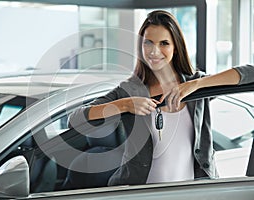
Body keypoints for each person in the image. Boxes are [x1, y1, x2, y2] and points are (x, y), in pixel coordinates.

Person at [68, 10, 254, 186]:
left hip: (194, 192)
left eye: (164, 43)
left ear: (176, 47)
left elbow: (250, 73)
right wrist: (124, 105)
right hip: (141, 193)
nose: (154, 51)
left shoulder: (196, 87)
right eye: (148, 42)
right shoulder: (129, 90)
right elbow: (75, 119)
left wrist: (196, 84)